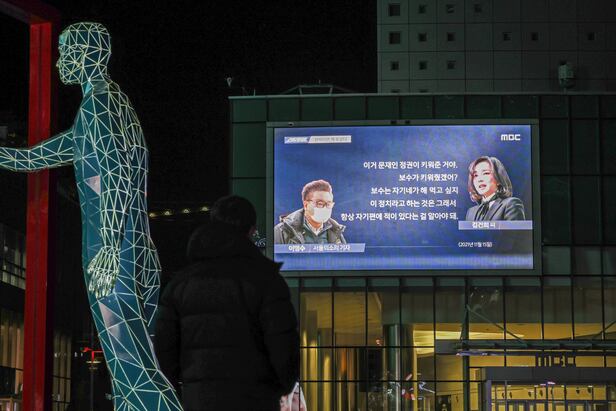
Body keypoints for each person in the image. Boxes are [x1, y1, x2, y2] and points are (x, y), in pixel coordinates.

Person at [0, 22, 180, 410]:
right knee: (132, 376)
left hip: (113, 253)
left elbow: (114, 174)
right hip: (140, 250)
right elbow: (33, 158)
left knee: (135, 377)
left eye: (66, 52)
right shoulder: (114, 105)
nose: (60, 62)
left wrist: (109, 247)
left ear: (87, 55)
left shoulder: (98, 107)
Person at [155, 195, 300, 411]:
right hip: (255, 398)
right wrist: (279, 387)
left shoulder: (181, 284)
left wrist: (186, 388)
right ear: (251, 230)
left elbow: (165, 349)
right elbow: (283, 344)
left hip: (200, 399)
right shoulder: (266, 280)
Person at [274, 179, 346, 244]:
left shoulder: (336, 231)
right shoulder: (283, 231)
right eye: (320, 204)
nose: (325, 208)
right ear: (306, 205)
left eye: (329, 204)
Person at [465, 156, 526, 221]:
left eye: (486, 173)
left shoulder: (511, 204)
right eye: (476, 175)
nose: (479, 179)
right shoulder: (471, 212)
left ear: (498, 179)